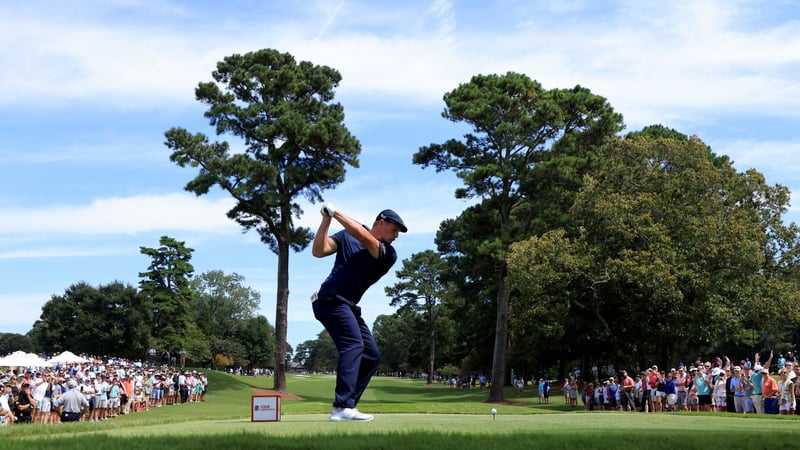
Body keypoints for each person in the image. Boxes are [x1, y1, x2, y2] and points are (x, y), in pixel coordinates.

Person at [311, 203, 406, 422]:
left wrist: (335, 213)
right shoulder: (347, 236)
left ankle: (346, 405)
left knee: (371, 355)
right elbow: (319, 251)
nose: (396, 236)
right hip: (330, 299)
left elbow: (364, 237)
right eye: (394, 230)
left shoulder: (388, 253)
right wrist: (326, 219)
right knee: (353, 345)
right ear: (381, 223)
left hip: (348, 305)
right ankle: (342, 406)